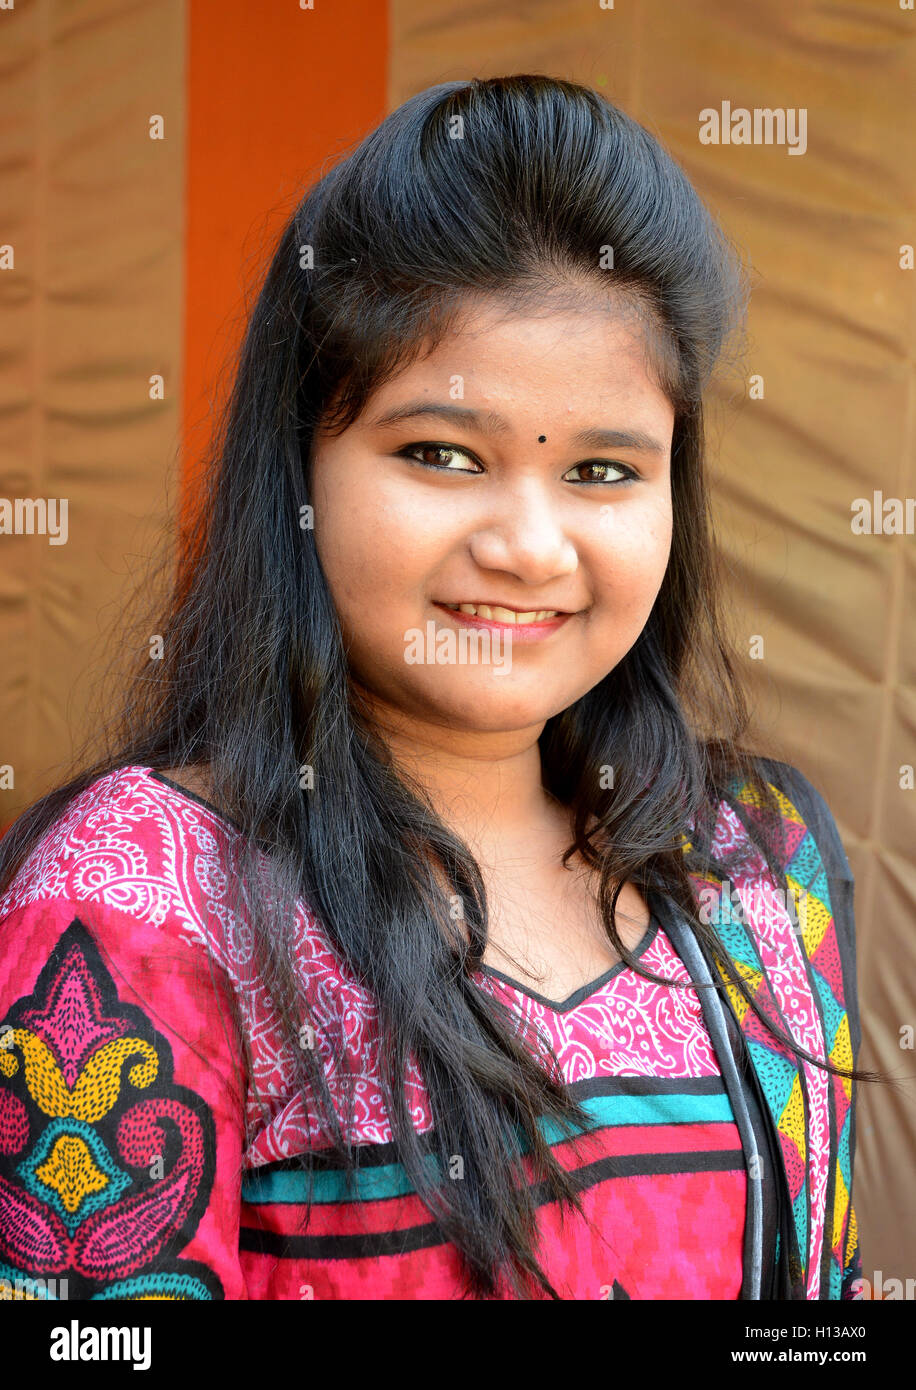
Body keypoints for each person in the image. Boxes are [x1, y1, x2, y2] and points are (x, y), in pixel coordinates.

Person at [0, 74, 869, 1301]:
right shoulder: (137, 901)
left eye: (604, 469)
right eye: (441, 453)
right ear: (301, 461)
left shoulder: (753, 865)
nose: (528, 543)